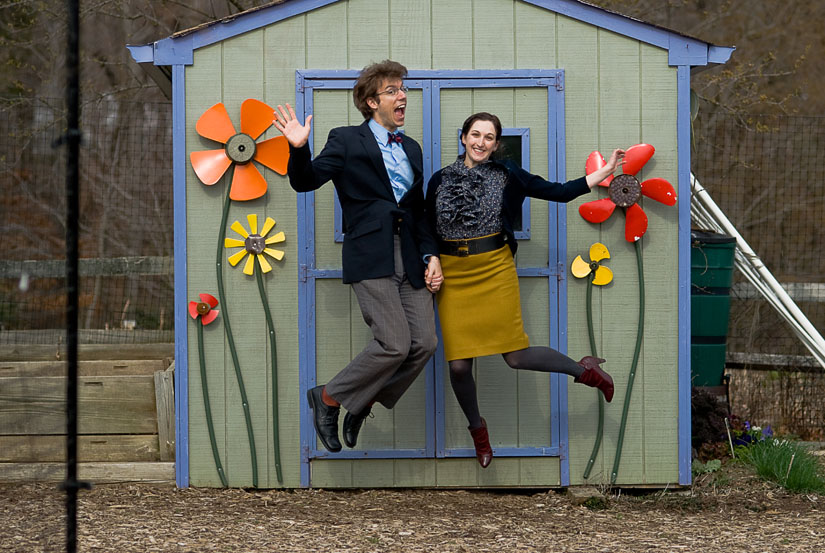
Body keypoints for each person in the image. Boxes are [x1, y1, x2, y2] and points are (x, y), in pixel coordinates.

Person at [426, 112, 622, 468]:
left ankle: (587, 372)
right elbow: (425, 226)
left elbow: (559, 192)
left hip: (494, 269)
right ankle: (478, 432)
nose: (480, 142)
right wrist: (431, 259)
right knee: (457, 367)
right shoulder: (439, 180)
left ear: (496, 144)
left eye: (488, 137)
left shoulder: (507, 174)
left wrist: (604, 172)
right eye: (475, 134)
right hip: (454, 274)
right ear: (463, 137)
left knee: (515, 356)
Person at [273, 60, 443, 453]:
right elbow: (305, 181)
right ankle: (330, 398)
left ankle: (360, 399)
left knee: (425, 344)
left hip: (412, 254)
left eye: (403, 89)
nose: (402, 96)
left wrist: (432, 254)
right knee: (394, 344)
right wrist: (298, 148)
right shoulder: (347, 140)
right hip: (371, 253)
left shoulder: (411, 148)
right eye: (392, 91)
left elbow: (417, 211)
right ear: (371, 101)